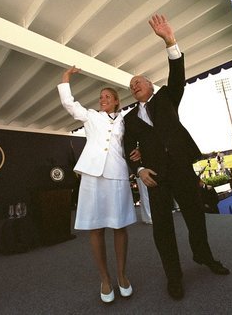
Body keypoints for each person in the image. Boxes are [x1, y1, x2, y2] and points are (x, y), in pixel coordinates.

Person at [123, 14, 230, 300]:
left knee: (196, 218)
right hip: (155, 178)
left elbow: (177, 74)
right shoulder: (130, 118)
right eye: (131, 85)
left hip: (181, 169)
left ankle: (204, 257)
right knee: (163, 230)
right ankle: (174, 276)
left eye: (139, 82)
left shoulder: (168, 97)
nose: (134, 86)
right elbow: (128, 148)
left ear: (151, 86)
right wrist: (139, 168)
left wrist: (170, 40)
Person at [57, 67, 140, 303]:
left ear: (116, 101)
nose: (102, 100)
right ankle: (105, 278)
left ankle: (122, 275)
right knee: (96, 228)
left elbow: (134, 142)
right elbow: (70, 104)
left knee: (119, 226)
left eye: (107, 97)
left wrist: (138, 150)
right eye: (100, 97)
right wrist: (65, 79)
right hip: (92, 176)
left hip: (117, 176)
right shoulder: (91, 116)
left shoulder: (126, 121)